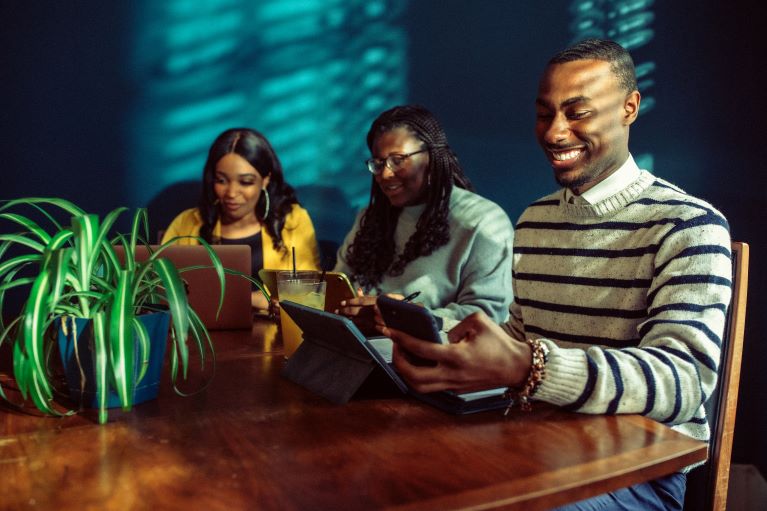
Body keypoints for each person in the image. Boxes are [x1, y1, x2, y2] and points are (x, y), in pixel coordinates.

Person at [384, 40, 732, 510]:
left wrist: (530, 366)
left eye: (577, 112)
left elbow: (682, 382)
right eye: (545, 114)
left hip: (641, 473)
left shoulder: (689, 225)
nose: (554, 132)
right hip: (533, 441)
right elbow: (520, 336)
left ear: (630, 108)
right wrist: (435, 345)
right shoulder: (535, 220)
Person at [334, 104, 514, 332]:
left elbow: (490, 318)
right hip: (360, 351)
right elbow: (336, 286)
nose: (385, 174)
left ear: (432, 157)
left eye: (397, 160)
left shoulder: (483, 222)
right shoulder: (370, 217)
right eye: (378, 164)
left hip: (436, 361)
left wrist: (401, 317)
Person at [162, 128, 320, 311]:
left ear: (265, 180)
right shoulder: (188, 222)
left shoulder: (292, 219)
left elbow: (310, 291)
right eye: (221, 180)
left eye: (245, 182)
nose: (231, 193)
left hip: (272, 335)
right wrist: (250, 299)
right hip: (204, 334)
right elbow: (162, 288)